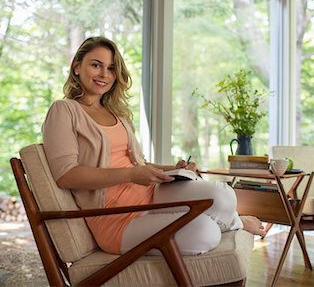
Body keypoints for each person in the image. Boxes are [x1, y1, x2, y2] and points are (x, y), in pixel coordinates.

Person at [42, 36, 265, 256]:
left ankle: (231, 220)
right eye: (96, 65)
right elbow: (66, 175)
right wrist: (131, 174)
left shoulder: (117, 113)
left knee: (223, 195)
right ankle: (236, 222)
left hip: (152, 195)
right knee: (205, 232)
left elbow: (138, 164)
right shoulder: (64, 110)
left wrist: (173, 169)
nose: (104, 74)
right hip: (115, 218)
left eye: (111, 69)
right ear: (76, 66)